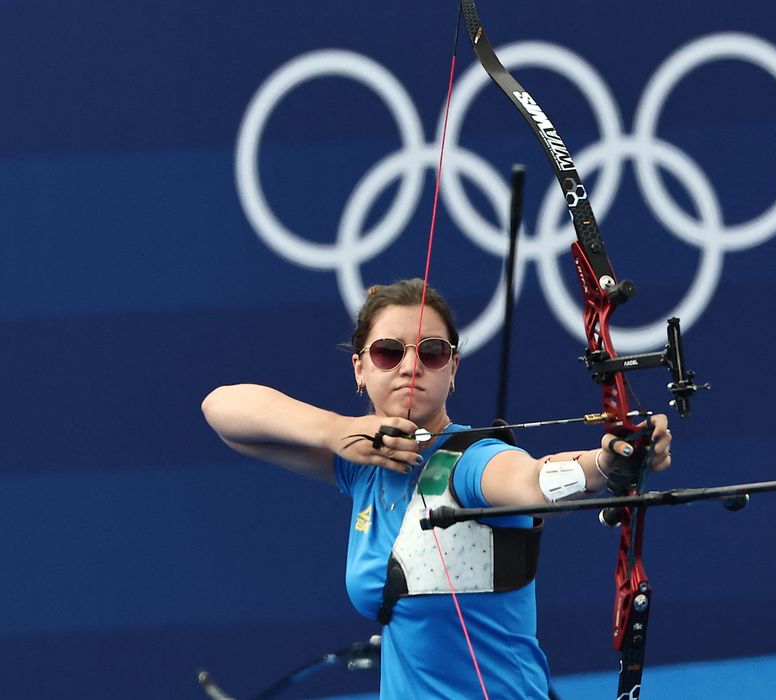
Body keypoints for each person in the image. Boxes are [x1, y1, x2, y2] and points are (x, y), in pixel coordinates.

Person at [201, 278, 672, 699]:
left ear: (452, 369)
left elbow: (531, 480)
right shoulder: (360, 466)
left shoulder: (470, 460)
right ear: (360, 368)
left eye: (432, 353)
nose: (411, 367)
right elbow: (223, 412)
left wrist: (605, 464)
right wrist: (335, 432)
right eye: (389, 351)